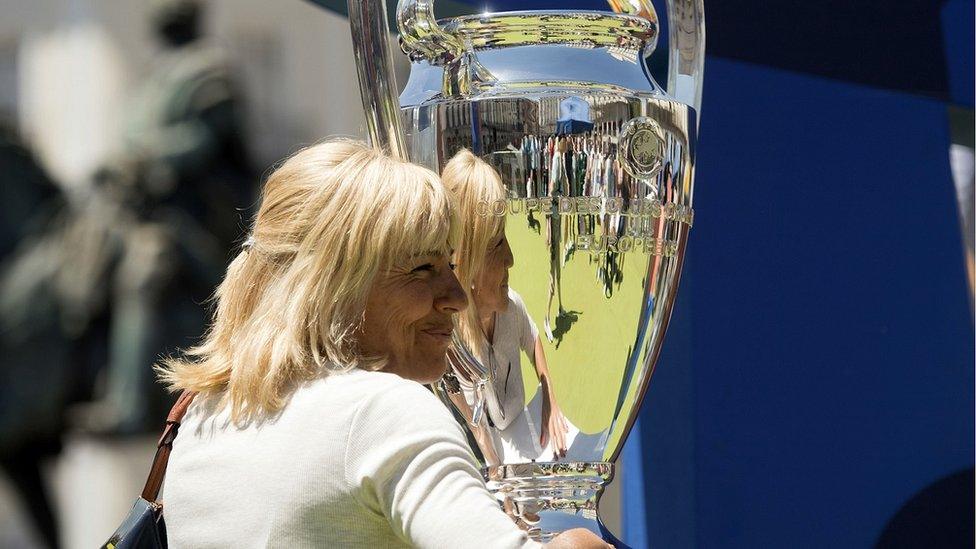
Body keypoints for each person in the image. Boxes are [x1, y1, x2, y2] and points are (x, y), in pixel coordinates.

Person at [159, 140, 609, 548]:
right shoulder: (383, 410)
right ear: (333, 286)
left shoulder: (198, 417)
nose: (456, 297)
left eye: (450, 265)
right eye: (421, 269)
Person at [440, 149, 570, 464]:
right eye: (497, 244)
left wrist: (549, 394)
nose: (511, 257)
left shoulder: (511, 307)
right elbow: (462, 405)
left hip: (522, 439)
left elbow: (534, 337)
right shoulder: (445, 341)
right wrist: (492, 463)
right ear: (466, 263)